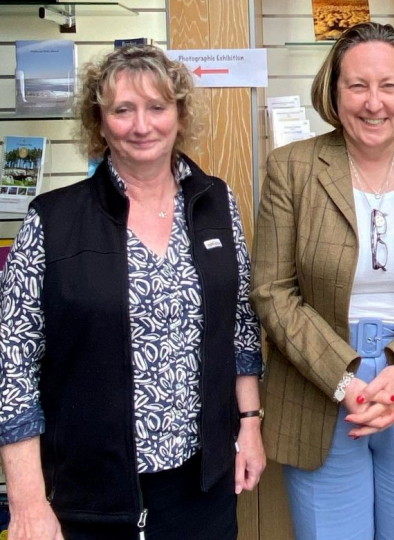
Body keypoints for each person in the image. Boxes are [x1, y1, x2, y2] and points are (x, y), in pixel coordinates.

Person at [0, 45, 265, 540]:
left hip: (204, 482)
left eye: (157, 107)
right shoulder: (52, 220)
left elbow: (241, 327)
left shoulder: (215, 201)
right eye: (123, 110)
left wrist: (249, 423)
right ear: (99, 123)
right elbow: (12, 364)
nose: (142, 125)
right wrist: (28, 500)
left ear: (180, 116)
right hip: (92, 494)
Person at [250, 21, 394, 540]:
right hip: (320, 385)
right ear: (333, 92)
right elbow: (271, 290)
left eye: (388, 86)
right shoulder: (290, 168)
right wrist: (342, 380)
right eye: (357, 85)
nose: (373, 103)